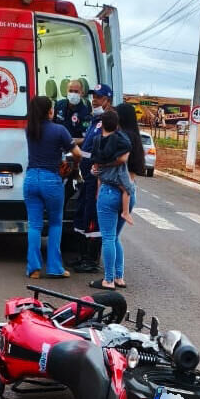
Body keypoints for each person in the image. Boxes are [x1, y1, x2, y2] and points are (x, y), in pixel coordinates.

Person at [89, 102, 145, 291]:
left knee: (108, 238)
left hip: (111, 190)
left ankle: (108, 279)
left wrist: (100, 168)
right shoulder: (135, 140)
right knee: (115, 237)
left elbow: (104, 161)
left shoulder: (116, 139)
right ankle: (119, 276)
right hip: (130, 191)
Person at [24, 96, 82, 279]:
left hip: (31, 178)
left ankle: (33, 268)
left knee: (34, 225)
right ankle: (55, 267)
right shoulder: (60, 130)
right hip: (51, 180)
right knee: (56, 223)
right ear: (49, 111)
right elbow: (77, 153)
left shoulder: (30, 130)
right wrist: (74, 165)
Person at [71, 83, 115, 274]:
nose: (94, 100)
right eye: (93, 96)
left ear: (107, 100)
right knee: (82, 214)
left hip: (96, 178)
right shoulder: (94, 120)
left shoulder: (108, 122)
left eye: (98, 97)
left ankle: (91, 259)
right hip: (85, 177)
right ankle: (82, 256)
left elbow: (105, 151)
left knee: (93, 218)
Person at [91, 110, 134, 226]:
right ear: (116, 125)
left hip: (101, 174)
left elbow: (94, 159)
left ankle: (98, 194)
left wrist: (98, 165)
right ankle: (125, 212)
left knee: (99, 179)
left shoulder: (97, 140)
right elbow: (123, 157)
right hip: (115, 178)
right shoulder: (118, 139)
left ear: (102, 124)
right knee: (127, 189)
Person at [52, 79, 91, 145]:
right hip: (57, 145)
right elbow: (52, 124)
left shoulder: (85, 112)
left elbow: (86, 138)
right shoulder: (59, 105)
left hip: (75, 148)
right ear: (67, 92)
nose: (73, 94)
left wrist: (70, 142)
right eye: (70, 91)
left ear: (82, 93)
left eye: (76, 92)